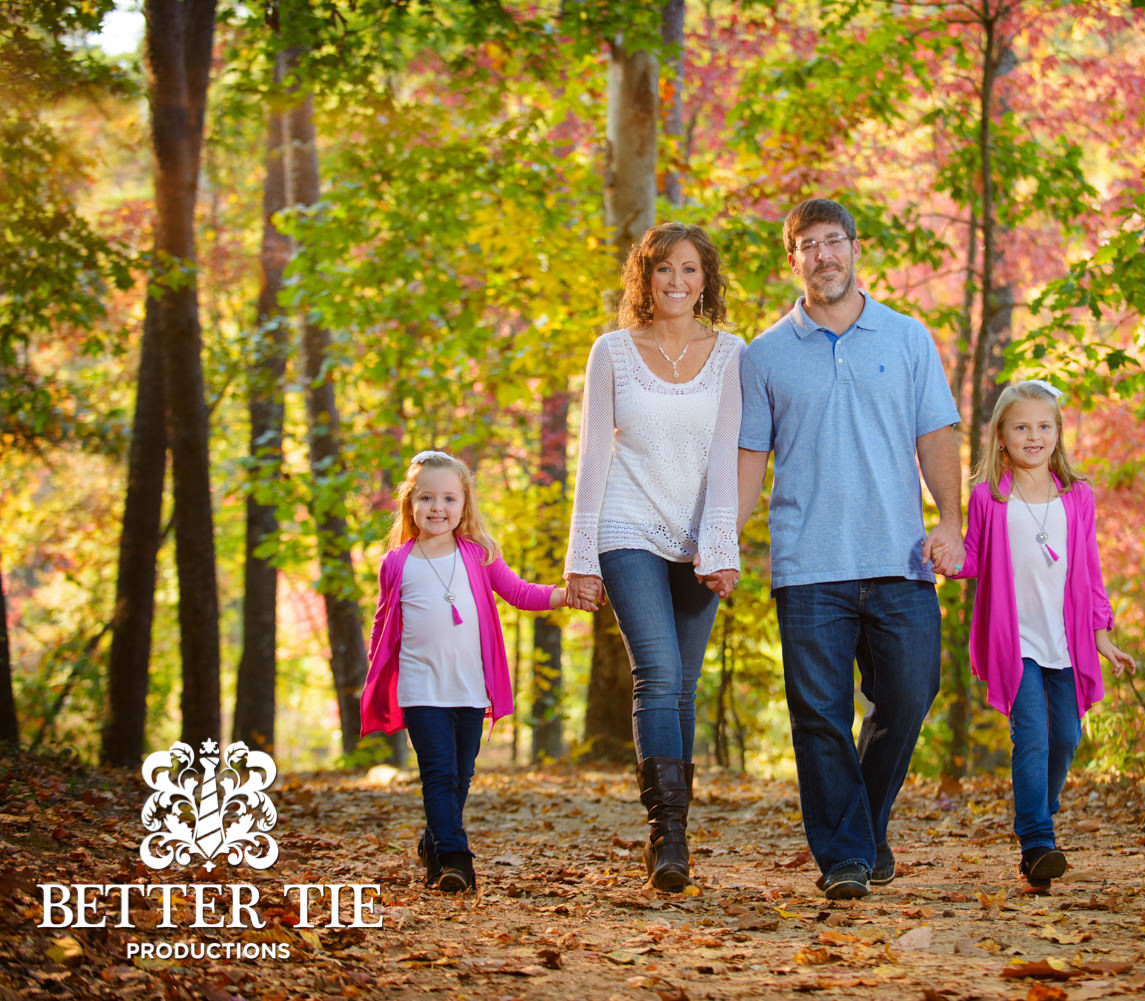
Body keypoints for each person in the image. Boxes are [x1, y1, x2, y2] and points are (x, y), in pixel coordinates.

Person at [738, 198, 963, 900]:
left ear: (855, 248)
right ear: (793, 257)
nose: (824, 255)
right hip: (809, 566)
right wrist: (724, 539)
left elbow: (937, 436)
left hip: (899, 558)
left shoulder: (906, 336)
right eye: (809, 244)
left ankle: (859, 828)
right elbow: (749, 456)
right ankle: (844, 857)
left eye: (834, 241)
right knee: (819, 716)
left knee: (911, 691)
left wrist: (950, 520)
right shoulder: (765, 352)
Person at [564, 222, 743, 892]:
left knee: (683, 685)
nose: (676, 282)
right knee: (658, 670)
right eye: (663, 269)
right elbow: (590, 457)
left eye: (690, 270)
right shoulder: (611, 352)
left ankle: (677, 832)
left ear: (707, 279)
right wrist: (581, 556)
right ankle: (667, 831)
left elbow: (728, 456)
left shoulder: (731, 354)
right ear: (644, 277)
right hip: (626, 526)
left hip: (697, 535)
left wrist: (721, 544)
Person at [361, 450, 588, 893]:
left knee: (462, 775)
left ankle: (434, 842)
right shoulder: (397, 563)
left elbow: (519, 593)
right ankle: (456, 859)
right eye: (426, 498)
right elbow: (383, 622)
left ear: (464, 505)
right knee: (439, 773)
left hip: (468, 687)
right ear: (410, 504)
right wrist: (379, 668)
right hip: (420, 686)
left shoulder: (479, 556)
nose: (437, 508)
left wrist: (565, 596)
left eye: (448, 498)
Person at [951, 380, 1135, 889]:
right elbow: (972, 558)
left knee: (1067, 737)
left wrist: (1102, 635)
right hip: (1017, 642)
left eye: (1044, 425)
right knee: (1030, 737)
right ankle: (1037, 843)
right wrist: (944, 557)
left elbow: (1092, 572)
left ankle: (1041, 807)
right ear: (1001, 438)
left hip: (1068, 640)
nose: (1034, 435)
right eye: (1021, 426)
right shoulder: (989, 498)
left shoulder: (1078, 498)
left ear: (1057, 433)